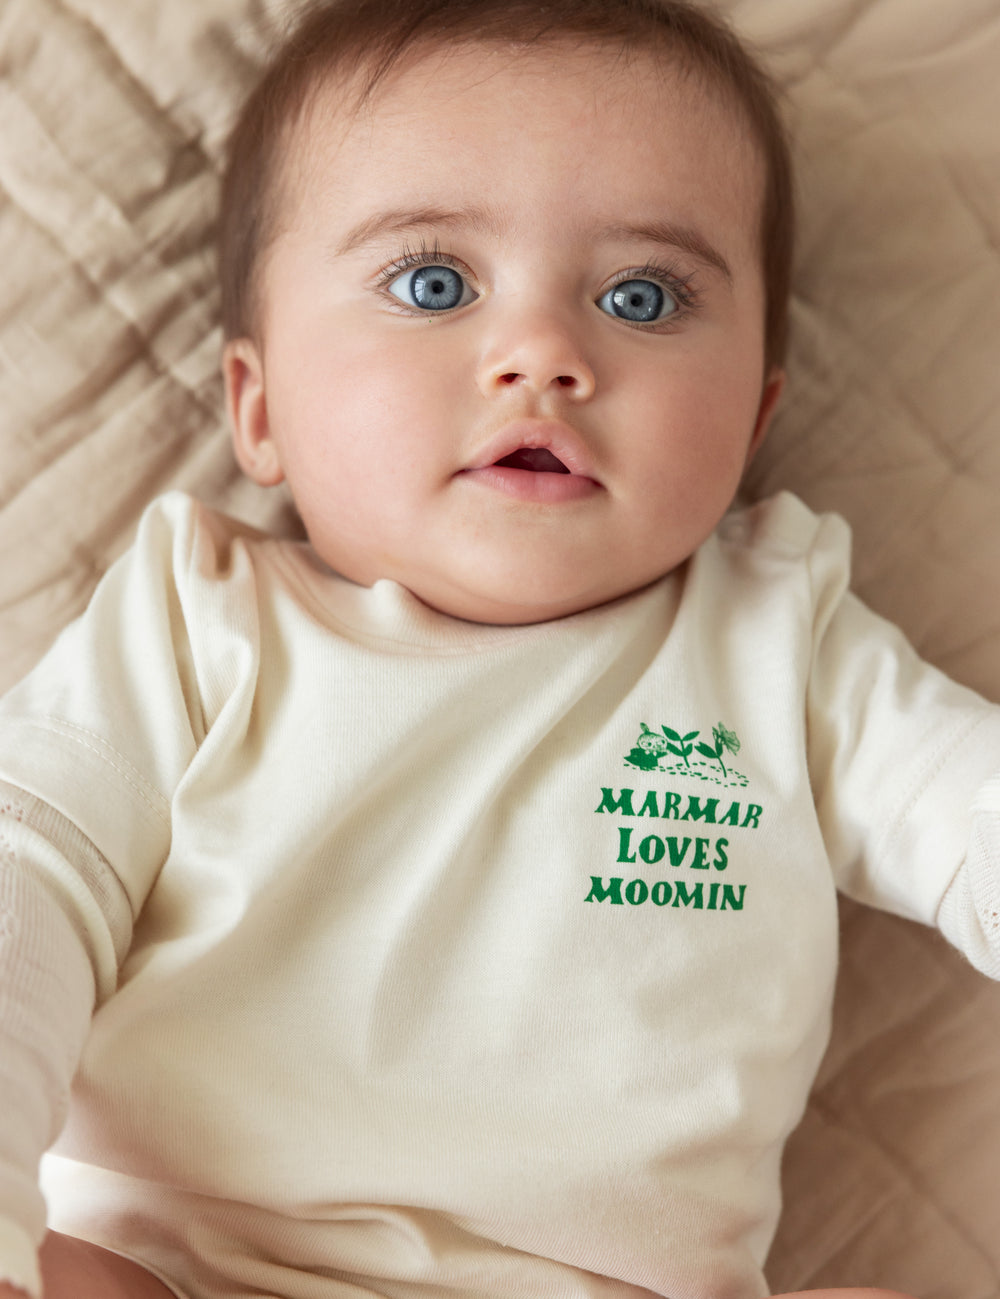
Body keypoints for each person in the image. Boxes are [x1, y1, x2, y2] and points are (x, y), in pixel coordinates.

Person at [0, 0, 996, 1296]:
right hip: (187, 1271)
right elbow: (29, 878)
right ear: (260, 409)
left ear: (753, 421)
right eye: (434, 284)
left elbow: (970, 815)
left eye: (641, 296)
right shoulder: (195, 617)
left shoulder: (778, 637)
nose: (543, 356)